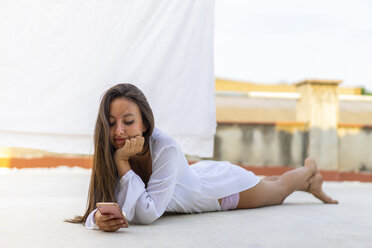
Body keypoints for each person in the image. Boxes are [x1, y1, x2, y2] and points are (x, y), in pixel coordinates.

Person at [67, 83, 338, 232]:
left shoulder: (165, 148)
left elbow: (146, 214)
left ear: (145, 124)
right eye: (112, 123)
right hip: (198, 177)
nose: (120, 131)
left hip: (221, 193)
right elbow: (98, 205)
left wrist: (123, 164)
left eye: (128, 121)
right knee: (267, 183)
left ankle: (307, 173)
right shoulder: (110, 150)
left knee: (278, 190)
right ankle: (307, 183)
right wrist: (97, 220)